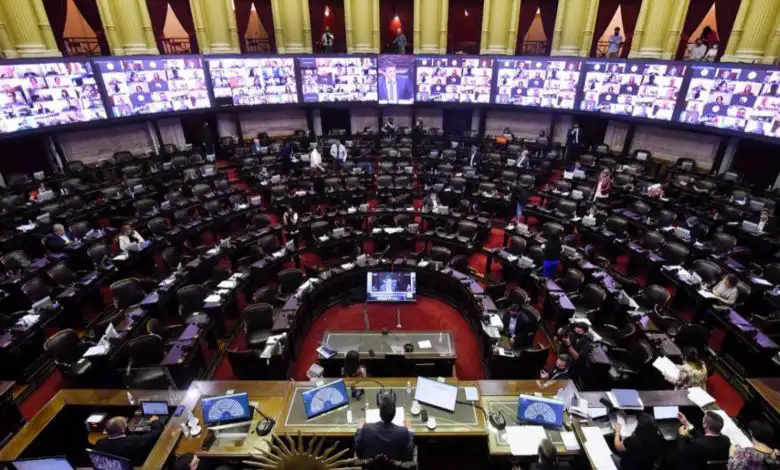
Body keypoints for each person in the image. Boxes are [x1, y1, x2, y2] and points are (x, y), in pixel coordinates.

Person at [354, 393, 414, 461]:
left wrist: (359, 429)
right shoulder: (403, 432)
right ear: (394, 414)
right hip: (395, 465)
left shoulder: (366, 429)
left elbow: (358, 451)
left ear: (380, 413)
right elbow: (409, 453)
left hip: (372, 465)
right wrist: (410, 430)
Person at [95, 416, 163, 466]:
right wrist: (155, 421)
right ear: (122, 429)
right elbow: (153, 434)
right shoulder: (132, 441)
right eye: (125, 425)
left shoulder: (100, 443)